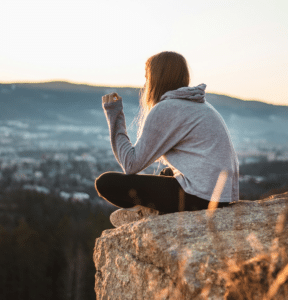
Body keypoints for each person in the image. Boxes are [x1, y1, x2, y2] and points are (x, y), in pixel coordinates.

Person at [95, 51, 239, 227]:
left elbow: (131, 164)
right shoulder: (202, 105)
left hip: (200, 198)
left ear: (156, 79)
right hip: (221, 196)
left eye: (147, 78)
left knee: (106, 183)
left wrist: (114, 114)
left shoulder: (166, 108)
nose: (145, 84)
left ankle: (147, 212)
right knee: (167, 174)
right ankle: (153, 209)